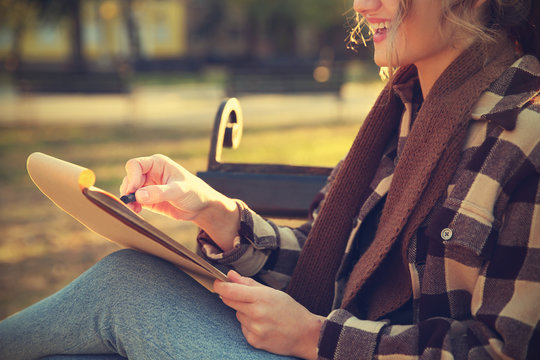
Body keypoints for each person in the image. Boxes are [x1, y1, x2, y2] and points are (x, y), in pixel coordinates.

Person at [1, 0, 539, 358]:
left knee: (125, 293)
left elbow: (502, 350)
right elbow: (331, 267)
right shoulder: (409, 111)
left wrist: (314, 338)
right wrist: (217, 213)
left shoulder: (526, 135)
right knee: (111, 299)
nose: (362, 4)